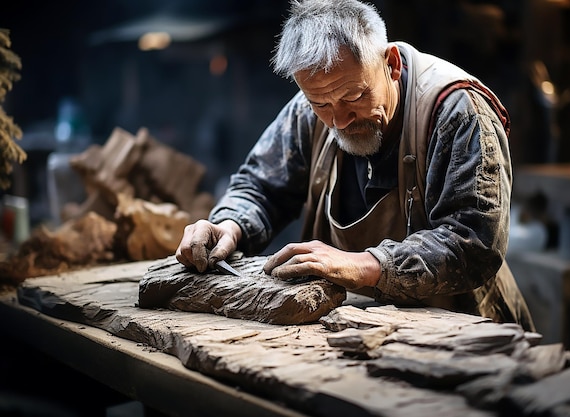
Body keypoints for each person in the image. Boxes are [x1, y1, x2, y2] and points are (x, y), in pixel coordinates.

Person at [176, 0, 535, 331]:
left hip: (466, 333)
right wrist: (230, 224)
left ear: (391, 64)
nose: (340, 120)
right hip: (354, 332)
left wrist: (361, 265)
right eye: (321, 104)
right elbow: (261, 185)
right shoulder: (312, 108)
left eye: (355, 97)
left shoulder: (458, 112)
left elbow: (472, 242)